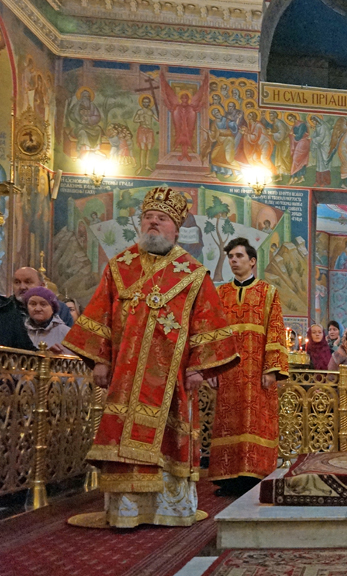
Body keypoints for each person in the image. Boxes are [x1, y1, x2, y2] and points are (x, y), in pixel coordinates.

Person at [62, 186, 237, 528]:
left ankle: (168, 510)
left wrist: (199, 367)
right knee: (122, 436)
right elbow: (100, 315)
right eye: (148, 218)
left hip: (172, 379)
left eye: (162, 219)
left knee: (167, 440)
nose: (153, 223)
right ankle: (125, 511)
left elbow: (207, 321)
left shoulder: (193, 273)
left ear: (176, 229)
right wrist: (100, 360)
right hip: (125, 376)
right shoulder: (119, 267)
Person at [210, 237, 289, 497]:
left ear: (252, 261)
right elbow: (214, 333)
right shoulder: (220, 293)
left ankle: (254, 476)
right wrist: (212, 368)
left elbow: (275, 330)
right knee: (229, 423)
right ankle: (230, 479)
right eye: (231, 257)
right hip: (229, 372)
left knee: (256, 422)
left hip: (257, 372)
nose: (234, 260)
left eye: (239, 256)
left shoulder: (268, 292)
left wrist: (272, 368)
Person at [23, 287, 70, 351]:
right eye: (33, 304)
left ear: (53, 308)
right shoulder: (20, 330)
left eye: (43, 304)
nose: (37, 309)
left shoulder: (66, 333)